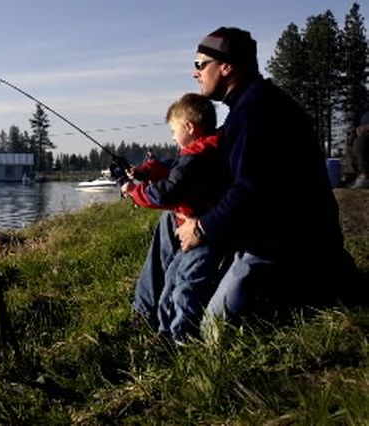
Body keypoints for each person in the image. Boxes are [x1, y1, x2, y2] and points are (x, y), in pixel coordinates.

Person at [172, 27, 359, 327]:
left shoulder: (256, 112)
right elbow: (223, 168)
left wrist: (202, 227)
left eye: (200, 64)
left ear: (226, 66)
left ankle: (322, 289)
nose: (195, 73)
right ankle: (150, 317)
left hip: (286, 247)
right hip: (267, 235)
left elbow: (250, 191)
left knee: (214, 329)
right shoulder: (247, 106)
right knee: (172, 224)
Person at [124, 93, 228, 343]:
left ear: (189, 127)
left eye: (174, 131)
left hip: (203, 232)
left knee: (183, 281)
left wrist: (135, 192)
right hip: (195, 222)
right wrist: (146, 170)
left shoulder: (198, 157)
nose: (172, 137)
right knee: (175, 276)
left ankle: (175, 337)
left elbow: (169, 191)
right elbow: (173, 167)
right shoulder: (203, 149)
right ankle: (156, 324)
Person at [353, 111, 369, 189]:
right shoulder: (365, 115)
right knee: (352, 141)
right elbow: (360, 128)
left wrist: (366, 128)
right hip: (365, 136)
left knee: (360, 142)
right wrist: (357, 131)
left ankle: (364, 176)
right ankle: (351, 174)